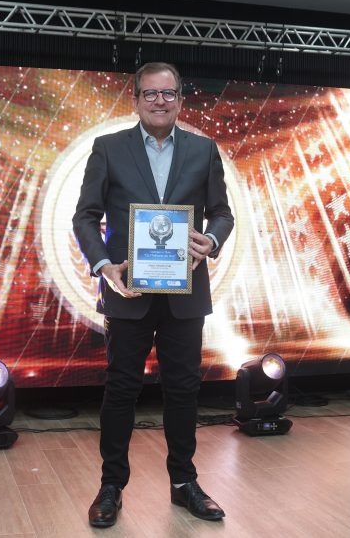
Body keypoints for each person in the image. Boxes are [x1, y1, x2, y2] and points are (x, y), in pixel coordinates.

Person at [72, 62, 234, 527]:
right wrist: (103, 265)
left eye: (168, 93)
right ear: (136, 100)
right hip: (128, 291)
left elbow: (222, 214)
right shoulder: (108, 148)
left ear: (180, 99)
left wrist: (212, 240)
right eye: (150, 94)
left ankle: (184, 483)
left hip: (186, 293)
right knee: (121, 388)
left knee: (183, 390)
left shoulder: (204, 150)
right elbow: (85, 216)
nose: (159, 101)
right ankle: (111, 485)